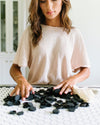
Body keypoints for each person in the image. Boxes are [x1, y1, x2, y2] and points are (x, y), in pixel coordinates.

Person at [9, 0, 91, 101]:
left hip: (64, 94)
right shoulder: (30, 32)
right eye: (43, 1)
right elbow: (14, 68)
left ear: (63, 2)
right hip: (34, 94)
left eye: (54, 0)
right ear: (38, 4)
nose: (49, 6)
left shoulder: (74, 34)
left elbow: (86, 70)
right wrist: (21, 80)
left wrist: (73, 79)